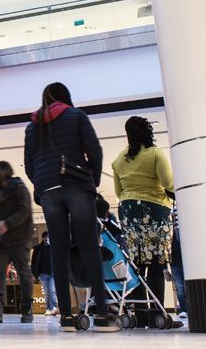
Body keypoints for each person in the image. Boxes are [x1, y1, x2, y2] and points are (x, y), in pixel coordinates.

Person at [24, 81, 120, 332]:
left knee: (59, 250)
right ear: (66, 97)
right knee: (89, 246)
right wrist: (93, 179)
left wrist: (43, 183)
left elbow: (29, 163)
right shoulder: (76, 115)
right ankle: (101, 314)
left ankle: (66, 317)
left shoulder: (33, 126)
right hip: (76, 183)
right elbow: (95, 151)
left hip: (48, 190)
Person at [111, 116, 174, 309]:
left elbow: (118, 192)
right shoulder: (155, 154)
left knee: (136, 263)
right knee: (156, 261)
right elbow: (168, 183)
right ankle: (158, 313)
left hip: (129, 211)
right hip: (154, 209)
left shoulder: (118, 160)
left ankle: (139, 313)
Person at [0, 160, 34, 324]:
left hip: (19, 239)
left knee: (24, 274)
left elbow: (24, 211)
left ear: (4, 173)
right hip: (0, 240)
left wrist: (8, 223)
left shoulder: (19, 188)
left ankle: (27, 308)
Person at [31, 231, 57, 315]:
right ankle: (49, 308)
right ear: (43, 238)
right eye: (47, 237)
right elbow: (34, 262)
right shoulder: (38, 248)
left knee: (52, 291)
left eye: (49, 237)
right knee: (47, 293)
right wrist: (35, 274)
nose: (48, 239)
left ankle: (54, 307)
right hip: (42, 274)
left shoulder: (53, 247)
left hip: (52, 273)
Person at [170, 205, 186, 318]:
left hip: (178, 257)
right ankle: (184, 309)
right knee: (180, 286)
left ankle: (185, 309)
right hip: (176, 258)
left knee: (181, 286)